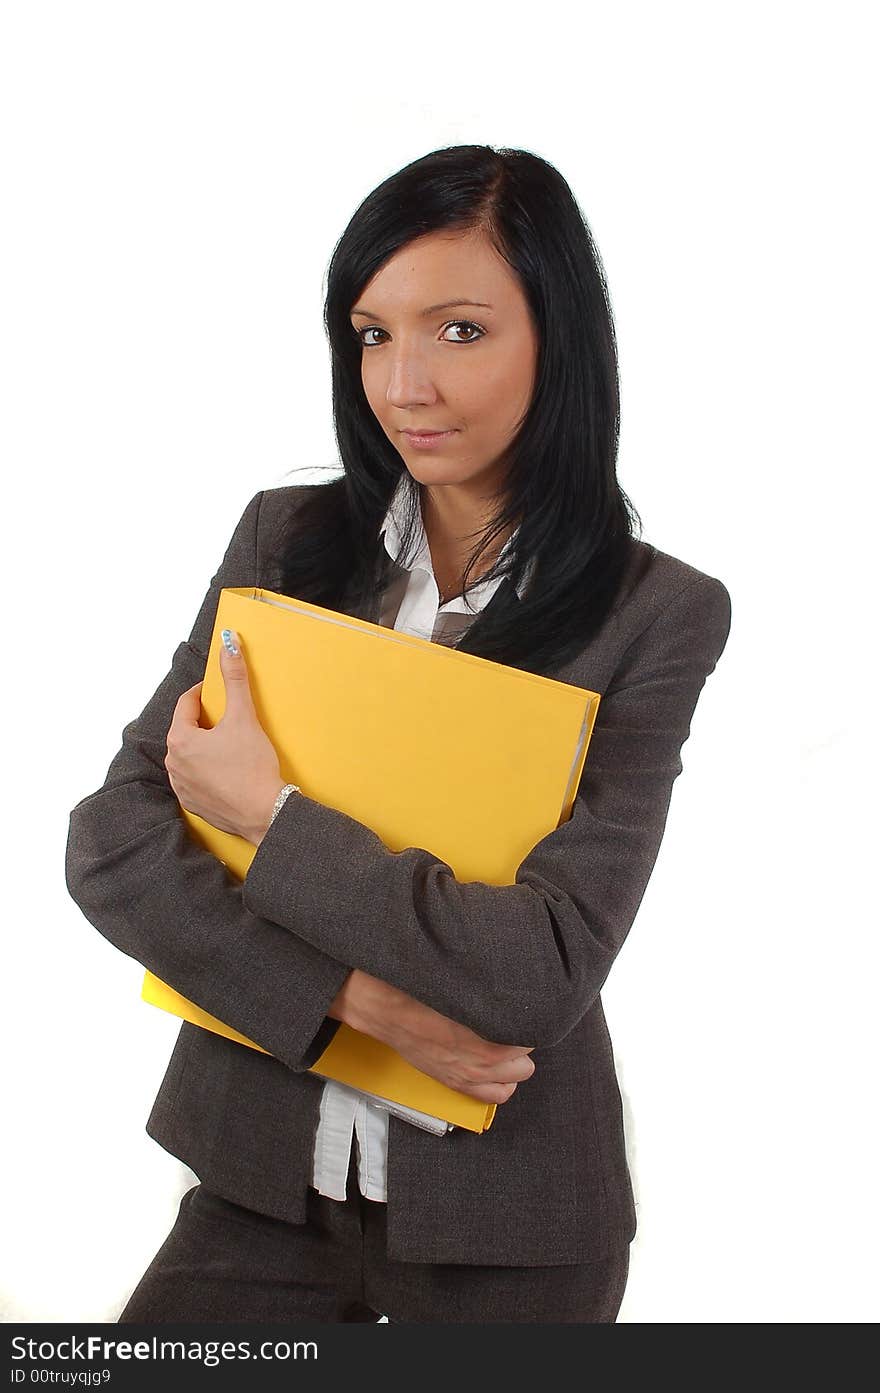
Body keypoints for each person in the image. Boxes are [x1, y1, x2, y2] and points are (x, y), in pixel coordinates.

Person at [65, 143, 732, 1324]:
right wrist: (353, 1004)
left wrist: (267, 820)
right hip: (254, 1187)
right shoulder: (286, 543)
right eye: (372, 334)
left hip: (511, 1226)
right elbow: (114, 846)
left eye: (459, 331)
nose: (403, 384)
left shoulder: (653, 612)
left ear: (558, 339)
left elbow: (539, 969)